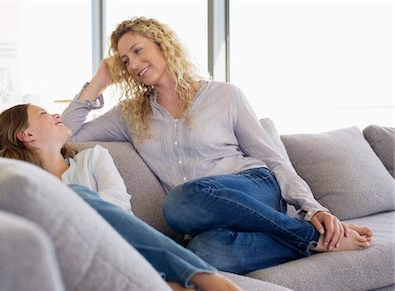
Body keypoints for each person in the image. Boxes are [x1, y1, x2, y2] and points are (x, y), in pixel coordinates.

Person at [61, 17, 373, 274]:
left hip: (255, 187)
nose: (133, 64)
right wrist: (99, 80)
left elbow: (272, 158)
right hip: (202, 215)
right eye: (125, 60)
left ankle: (305, 232)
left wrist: (311, 205)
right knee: (203, 252)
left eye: (139, 50)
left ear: (163, 45)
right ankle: (310, 240)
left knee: (178, 203)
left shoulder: (225, 95)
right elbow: (68, 135)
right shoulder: (129, 115)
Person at [0, 103, 250, 291]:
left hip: (120, 249)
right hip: (76, 260)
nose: (56, 115)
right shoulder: (25, 183)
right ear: (25, 135)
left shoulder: (93, 158)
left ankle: (182, 286)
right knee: (80, 196)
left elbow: (118, 206)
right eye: (43, 114)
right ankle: (206, 279)